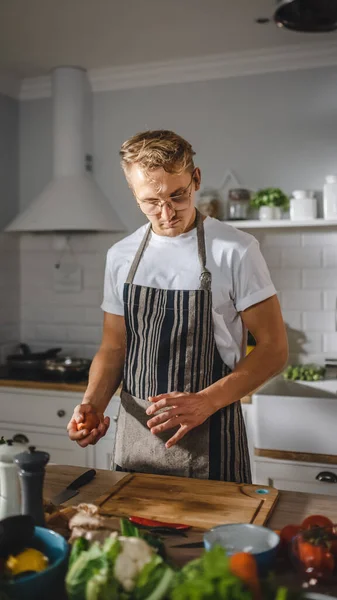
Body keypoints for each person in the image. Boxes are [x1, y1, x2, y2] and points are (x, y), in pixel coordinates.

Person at [67, 130, 288, 482]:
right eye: (151, 201)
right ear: (133, 192)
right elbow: (114, 347)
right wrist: (91, 406)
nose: (166, 212)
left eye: (177, 195)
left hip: (211, 438)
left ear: (195, 178)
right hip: (136, 440)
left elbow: (275, 349)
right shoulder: (121, 256)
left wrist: (206, 402)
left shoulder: (236, 250)